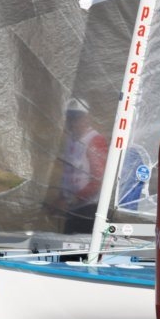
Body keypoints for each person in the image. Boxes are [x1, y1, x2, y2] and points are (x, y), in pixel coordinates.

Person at [57, 98, 108, 236]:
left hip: (88, 208)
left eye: (77, 117)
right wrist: (61, 197)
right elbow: (67, 173)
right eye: (70, 117)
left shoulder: (94, 140)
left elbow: (98, 179)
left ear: (86, 118)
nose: (73, 122)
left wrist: (73, 199)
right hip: (71, 207)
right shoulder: (70, 139)